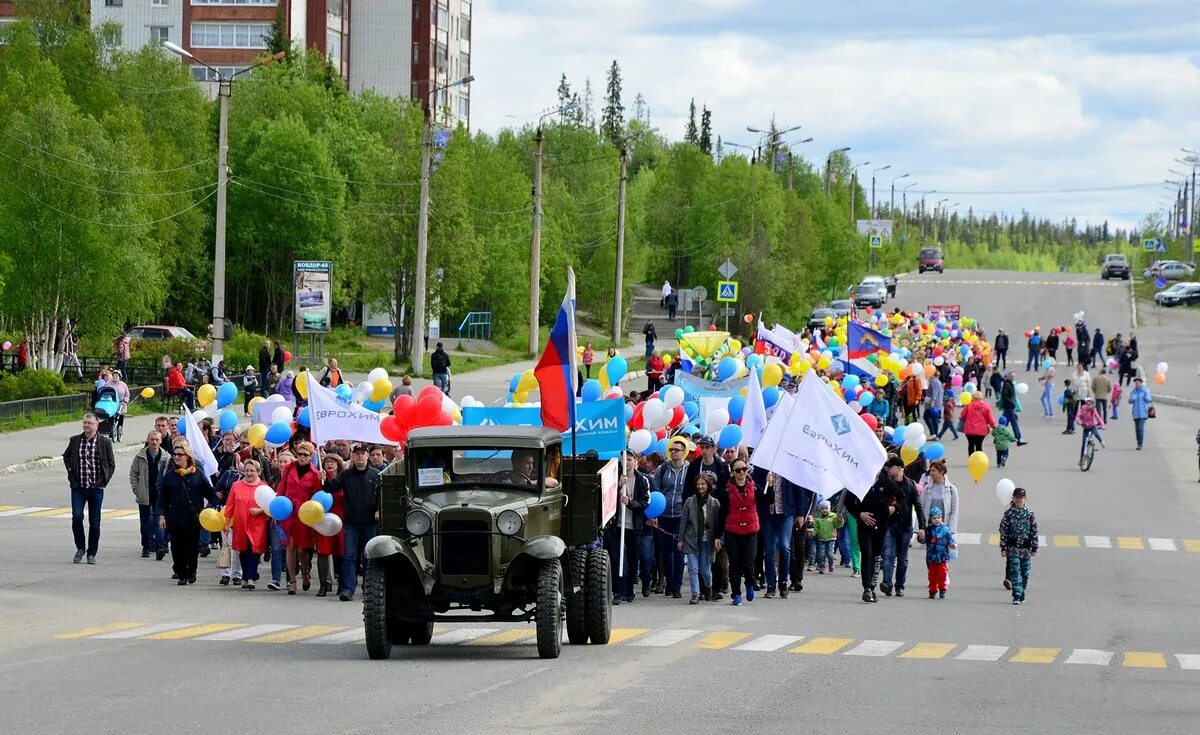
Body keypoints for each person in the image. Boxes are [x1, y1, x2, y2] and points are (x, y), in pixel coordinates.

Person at [156, 440, 218, 585]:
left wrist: (217, 501)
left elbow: (208, 491)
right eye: (175, 454)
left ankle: (192, 571)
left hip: (192, 516)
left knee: (191, 546)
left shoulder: (197, 473)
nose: (176, 457)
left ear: (187, 456)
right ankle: (181, 573)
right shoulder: (170, 475)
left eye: (180, 454)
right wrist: (161, 516)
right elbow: (162, 497)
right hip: (175, 517)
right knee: (177, 547)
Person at [844, 456, 903, 603]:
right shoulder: (859, 481)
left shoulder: (887, 483)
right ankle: (866, 589)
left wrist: (893, 508)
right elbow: (848, 502)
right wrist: (859, 514)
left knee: (876, 556)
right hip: (864, 524)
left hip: (881, 524)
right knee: (867, 553)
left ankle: (872, 586)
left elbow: (901, 500)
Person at [63, 413, 117, 564]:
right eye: (85, 423)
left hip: (96, 488)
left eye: (90, 423)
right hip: (78, 487)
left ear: (96, 425)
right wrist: (70, 473)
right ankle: (80, 548)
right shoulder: (75, 440)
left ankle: (91, 553)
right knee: (77, 517)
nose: (86, 425)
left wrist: (103, 480)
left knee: (94, 522)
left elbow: (111, 464)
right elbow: (66, 457)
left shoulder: (104, 442)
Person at [277, 441, 323, 594]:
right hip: (288, 512)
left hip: (304, 514)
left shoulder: (315, 473)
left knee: (302, 549)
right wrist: (277, 510)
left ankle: (305, 572)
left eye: (305, 455)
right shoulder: (290, 468)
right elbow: (281, 489)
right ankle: (292, 581)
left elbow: (317, 496)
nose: (302, 457)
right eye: (300, 454)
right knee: (289, 547)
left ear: (311, 457)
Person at [879, 455, 925, 598]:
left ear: (899, 468)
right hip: (889, 525)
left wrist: (922, 527)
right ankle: (887, 583)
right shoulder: (886, 483)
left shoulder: (910, 485)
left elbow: (918, 506)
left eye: (891, 467)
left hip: (905, 526)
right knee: (888, 555)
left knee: (902, 558)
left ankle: (899, 585)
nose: (888, 470)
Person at [609, 453, 650, 604]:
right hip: (617, 525)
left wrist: (631, 503)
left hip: (634, 526)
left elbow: (645, 502)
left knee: (633, 559)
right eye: (623, 460)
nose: (626, 462)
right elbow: (604, 498)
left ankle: (629, 587)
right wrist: (618, 486)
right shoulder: (614, 477)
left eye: (630, 460)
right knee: (617, 559)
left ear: (635, 462)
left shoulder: (641, 480)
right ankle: (618, 591)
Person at [223, 458, 269, 590]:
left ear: (258, 472)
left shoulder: (264, 487)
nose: (249, 473)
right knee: (243, 549)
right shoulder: (236, 486)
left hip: (257, 523)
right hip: (241, 522)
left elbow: (269, 507)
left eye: (252, 471)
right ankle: (244, 577)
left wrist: (260, 510)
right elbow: (230, 505)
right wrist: (226, 523)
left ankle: (251, 577)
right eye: (247, 470)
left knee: (254, 550)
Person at [654, 437, 691, 599]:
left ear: (684, 453)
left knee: (679, 550)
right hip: (664, 514)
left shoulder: (689, 470)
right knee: (666, 551)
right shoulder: (662, 470)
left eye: (677, 450)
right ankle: (669, 582)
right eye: (672, 450)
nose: (674, 453)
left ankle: (676, 585)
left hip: (681, 515)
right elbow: (655, 492)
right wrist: (654, 514)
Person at [762, 472, 809, 598]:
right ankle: (771, 585)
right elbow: (758, 491)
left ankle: (783, 582)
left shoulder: (789, 468)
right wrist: (768, 484)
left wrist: (800, 513)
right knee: (769, 550)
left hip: (786, 514)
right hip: (768, 515)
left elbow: (799, 490)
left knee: (784, 546)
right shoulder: (764, 467)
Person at [722, 459, 759, 606]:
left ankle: (750, 583)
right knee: (735, 564)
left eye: (744, 469)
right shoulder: (727, 489)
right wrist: (719, 533)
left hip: (750, 530)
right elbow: (722, 512)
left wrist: (770, 485)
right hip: (732, 530)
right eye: (738, 470)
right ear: (732, 472)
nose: (741, 472)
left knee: (748, 563)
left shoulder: (754, 487)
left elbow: (768, 499)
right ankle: (736, 594)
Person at [679, 471, 720, 604]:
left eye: (703, 484)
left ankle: (708, 586)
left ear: (708, 485)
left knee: (704, 569)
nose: (700, 486)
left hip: (706, 541)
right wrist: (681, 539)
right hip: (691, 540)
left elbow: (718, 524)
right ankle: (695, 594)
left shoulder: (714, 503)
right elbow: (684, 521)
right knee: (693, 569)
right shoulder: (690, 502)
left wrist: (718, 539)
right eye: (698, 484)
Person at [130, 430, 169, 560]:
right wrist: (137, 489)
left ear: (161, 441)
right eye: (152, 439)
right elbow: (133, 474)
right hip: (145, 493)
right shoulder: (140, 456)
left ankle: (159, 547)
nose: (154, 442)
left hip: (159, 495)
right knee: (145, 523)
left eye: (157, 440)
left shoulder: (166, 457)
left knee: (159, 521)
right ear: (148, 440)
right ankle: (146, 546)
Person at [999, 487, 1037, 605]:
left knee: (1025, 573)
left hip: (1026, 549)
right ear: (1013, 499)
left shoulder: (1030, 514)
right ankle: (1016, 595)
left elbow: (1034, 531)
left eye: (1021, 498)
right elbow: (1003, 530)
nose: (1019, 500)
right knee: (1015, 571)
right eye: (1016, 497)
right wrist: (1003, 547)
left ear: (1025, 499)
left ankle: (1022, 591)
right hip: (1013, 548)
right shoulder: (1009, 514)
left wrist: (1034, 547)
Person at [917, 459, 960, 536]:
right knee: (930, 548)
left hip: (945, 528)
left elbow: (954, 511)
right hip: (930, 528)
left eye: (933, 471)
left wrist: (952, 530)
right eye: (930, 471)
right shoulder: (927, 488)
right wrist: (921, 527)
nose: (930, 473)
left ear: (941, 472)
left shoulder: (951, 489)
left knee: (942, 547)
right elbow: (921, 508)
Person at [923, 507, 956, 599]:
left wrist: (952, 544)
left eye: (938, 517)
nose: (936, 520)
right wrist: (920, 537)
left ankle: (942, 589)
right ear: (931, 519)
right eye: (934, 518)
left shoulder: (945, 529)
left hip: (943, 556)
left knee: (942, 574)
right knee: (932, 575)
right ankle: (932, 590)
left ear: (941, 518)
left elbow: (950, 539)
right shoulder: (928, 530)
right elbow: (924, 540)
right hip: (932, 557)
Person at [808, 500, 843, 574]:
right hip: (821, 539)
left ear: (830, 509)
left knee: (830, 554)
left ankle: (831, 563)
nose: (825, 510)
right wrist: (812, 534)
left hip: (831, 538)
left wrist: (840, 520)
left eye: (826, 508)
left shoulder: (834, 516)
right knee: (821, 554)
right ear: (820, 510)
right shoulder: (818, 519)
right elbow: (816, 529)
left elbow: (838, 525)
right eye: (823, 508)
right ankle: (822, 566)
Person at [962, 389, 997, 459]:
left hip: (969, 429)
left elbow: (963, 415)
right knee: (979, 445)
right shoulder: (986, 406)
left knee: (971, 444)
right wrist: (993, 426)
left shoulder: (969, 405)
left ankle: (971, 459)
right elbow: (990, 418)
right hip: (981, 430)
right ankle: (979, 460)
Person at [998, 373, 1026, 446]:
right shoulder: (1007, 385)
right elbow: (1004, 395)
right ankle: (1019, 439)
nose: (1013, 378)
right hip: (1009, 407)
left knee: (1004, 423)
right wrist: (1011, 403)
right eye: (1011, 376)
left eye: (1014, 376)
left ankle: (998, 437)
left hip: (1009, 407)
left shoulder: (1009, 384)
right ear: (1008, 377)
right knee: (1014, 424)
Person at [1128, 376, 1153, 450]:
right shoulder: (1133, 392)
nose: (1137, 384)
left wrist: (1145, 397)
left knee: (1140, 428)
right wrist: (1132, 399)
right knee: (1136, 429)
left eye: (1138, 382)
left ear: (1141, 383)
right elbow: (1129, 402)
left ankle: (1140, 444)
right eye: (1136, 383)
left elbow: (1149, 400)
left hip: (1143, 413)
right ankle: (1138, 443)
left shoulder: (1145, 391)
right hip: (1135, 413)